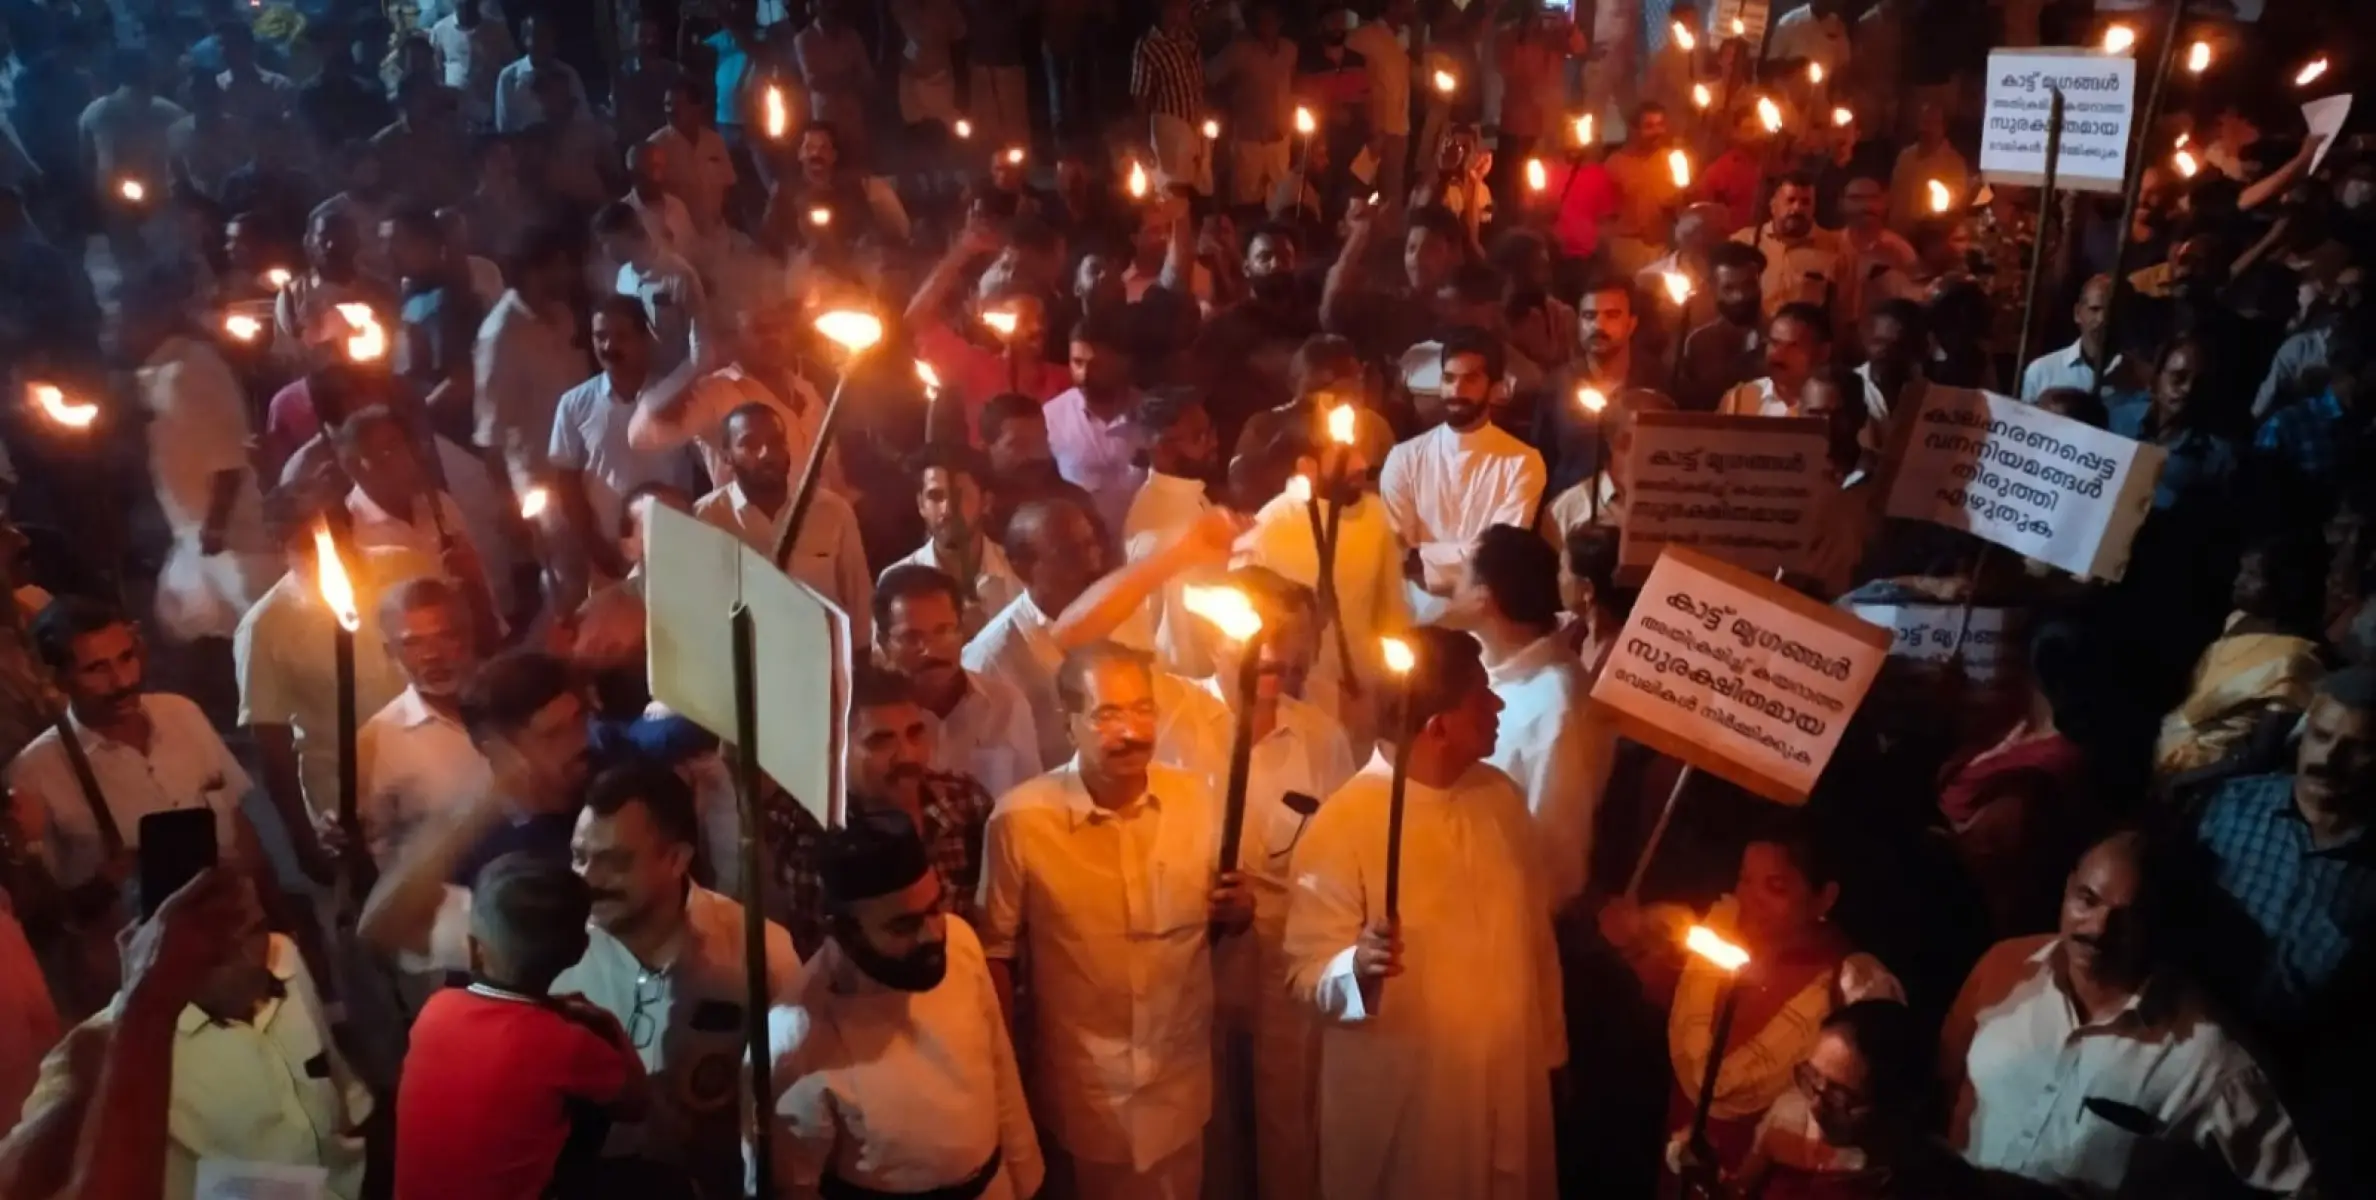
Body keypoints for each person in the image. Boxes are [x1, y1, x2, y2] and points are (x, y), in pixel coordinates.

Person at [1282, 625, 1564, 1200]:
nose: (1499, 704)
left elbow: (1535, 938)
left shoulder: (1500, 798)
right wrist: (1355, 968)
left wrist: (1550, 1053)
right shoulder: (1345, 824)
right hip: (1411, 1107)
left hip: (1507, 1082)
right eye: (1481, 694)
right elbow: (1304, 975)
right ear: (1438, 727)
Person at [976, 642, 1249, 1199]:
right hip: (1086, 1096)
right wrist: (1004, 1081)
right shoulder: (1022, 821)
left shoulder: (1196, 798)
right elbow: (997, 955)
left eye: (1142, 709)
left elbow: (1221, 916)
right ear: (1069, 722)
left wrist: (1238, 910)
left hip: (1180, 1081)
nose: (1131, 731)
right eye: (1107, 715)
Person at [1944, 831, 2314, 1195]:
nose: (2098, 929)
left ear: (2157, 923)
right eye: (2087, 900)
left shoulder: (2208, 1057)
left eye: (2126, 918)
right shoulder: (2003, 968)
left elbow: (2297, 1186)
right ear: (2068, 885)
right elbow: (1939, 1086)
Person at [19, 874, 369, 1200]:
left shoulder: (284, 959)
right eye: (217, 944)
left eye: (255, 930)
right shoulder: (98, 1056)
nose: (248, 959)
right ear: (153, 949)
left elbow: (346, 1099)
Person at [1597, 818, 1903, 1178]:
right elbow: (1677, 1002)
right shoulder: (1720, 931)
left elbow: (1865, 1119)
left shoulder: (1851, 984)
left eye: (1775, 887)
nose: (1749, 900)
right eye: (1744, 879)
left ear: (1824, 897)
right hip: (1679, 1159)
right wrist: (1632, 945)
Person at [768, 809, 1044, 1198]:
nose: (933, 935)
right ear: (845, 931)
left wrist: (1029, 1184)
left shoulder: (961, 942)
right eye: (903, 925)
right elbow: (794, 1185)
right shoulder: (793, 1035)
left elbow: (1001, 1073)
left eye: (934, 909)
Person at [393, 852, 649, 1200]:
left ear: (473, 948)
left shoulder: (434, 1010)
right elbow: (637, 1103)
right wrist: (607, 1022)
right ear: (580, 951)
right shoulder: (568, 1042)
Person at [9, 598, 274, 900]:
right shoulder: (34, 772)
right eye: (96, 669)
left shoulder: (181, 712)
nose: (122, 680)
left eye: (126, 657)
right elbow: (41, 909)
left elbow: (238, 824)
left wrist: (277, 911)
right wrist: (102, 887)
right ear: (58, 680)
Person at [234, 496, 409, 886]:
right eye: (307, 546)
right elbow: (272, 744)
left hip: (430, 767)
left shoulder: (403, 566)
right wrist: (303, 840)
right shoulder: (264, 628)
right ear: (282, 548)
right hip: (348, 799)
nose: (329, 557)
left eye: (338, 539)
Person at [766, 666, 996, 957]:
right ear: (836, 748)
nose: (908, 756)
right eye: (880, 742)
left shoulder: (966, 804)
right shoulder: (808, 832)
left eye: (915, 734)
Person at [1448, 526, 1616, 912]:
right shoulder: (1487, 663)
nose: (1450, 587)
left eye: (1462, 573)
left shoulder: (1556, 706)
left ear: (1483, 599)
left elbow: (1559, 858)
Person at [1380, 327, 1548, 624]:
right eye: (1449, 379)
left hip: (1489, 620)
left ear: (1495, 388)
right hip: (1414, 618)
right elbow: (1398, 554)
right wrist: (1426, 561)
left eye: (1470, 379)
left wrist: (1425, 559)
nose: (1456, 391)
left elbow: (1496, 555)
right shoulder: (1404, 457)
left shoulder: (1523, 462)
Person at [691, 403, 873, 644]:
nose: (767, 453)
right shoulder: (706, 518)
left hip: (821, 663)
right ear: (726, 456)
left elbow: (859, 602)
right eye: (750, 444)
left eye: (776, 442)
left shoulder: (833, 511)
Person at [549, 297, 699, 587]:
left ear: (644, 339)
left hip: (678, 549)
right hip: (611, 558)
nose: (608, 347)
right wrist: (596, 548)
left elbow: (708, 464)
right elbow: (566, 484)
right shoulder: (573, 404)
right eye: (600, 336)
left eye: (620, 336)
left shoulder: (677, 396)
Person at [2153, 539, 2327, 781]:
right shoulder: (2237, 621)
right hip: (2164, 753)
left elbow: (2261, 755)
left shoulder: (2294, 658)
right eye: (2241, 571)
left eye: (2253, 576)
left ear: (2285, 585)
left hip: (2209, 777)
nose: (2238, 582)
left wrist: (2187, 779)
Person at [874, 565, 1040, 798]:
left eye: (943, 631)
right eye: (912, 637)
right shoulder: (872, 722)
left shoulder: (1007, 705)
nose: (930, 650)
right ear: (883, 643)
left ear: (962, 631)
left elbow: (1029, 799)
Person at [356, 577, 488, 869]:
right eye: (413, 643)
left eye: (445, 636)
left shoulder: (514, 698)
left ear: (469, 636)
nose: (432, 655)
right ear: (390, 652)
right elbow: (377, 854)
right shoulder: (376, 742)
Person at [473, 221, 590, 494]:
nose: (568, 275)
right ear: (533, 271)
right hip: (542, 484)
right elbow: (491, 436)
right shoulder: (500, 335)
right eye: (560, 266)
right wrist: (510, 511)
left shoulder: (563, 316)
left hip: (586, 472)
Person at [1120, 390, 1223, 678]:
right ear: (1160, 448)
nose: (1213, 443)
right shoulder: (1166, 526)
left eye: (1210, 432)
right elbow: (1178, 635)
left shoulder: (1187, 495)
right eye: (1198, 437)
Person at [881, 445, 1024, 638]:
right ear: (921, 505)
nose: (947, 510)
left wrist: (988, 635)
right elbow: (886, 662)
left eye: (958, 496)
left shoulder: (1018, 573)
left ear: (986, 502)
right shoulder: (896, 583)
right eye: (935, 496)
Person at [1045, 310, 1149, 537]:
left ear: (1124, 362)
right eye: (1077, 362)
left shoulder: (1154, 417)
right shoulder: (1052, 418)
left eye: (1098, 365)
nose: (1085, 374)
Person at [594, 199, 707, 376]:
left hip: (681, 379)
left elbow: (701, 342)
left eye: (606, 242)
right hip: (645, 382)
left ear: (626, 234)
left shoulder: (679, 274)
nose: (604, 251)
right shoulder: (623, 279)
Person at [1208, 3, 1297, 213]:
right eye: (1261, 20)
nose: (1266, 26)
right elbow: (1209, 76)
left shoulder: (1289, 50)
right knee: (1244, 200)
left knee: (1281, 199)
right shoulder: (1239, 50)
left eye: (1271, 20)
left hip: (1280, 138)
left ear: (1280, 22)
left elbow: (1292, 83)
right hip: (1249, 139)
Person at [1736, 173, 1845, 322]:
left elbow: (1840, 311)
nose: (1797, 209)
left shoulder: (1834, 247)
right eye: (1790, 200)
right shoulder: (1744, 242)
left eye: (1805, 202)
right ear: (1773, 205)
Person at [1677, 240, 1771, 410]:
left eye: (1748, 285)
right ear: (1714, 289)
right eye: (1729, 288)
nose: (1740, 296)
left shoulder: (1779, 340)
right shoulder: (1699, 343)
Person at [1344, 0, 1418, 203]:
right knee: (1360, 190)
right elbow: (1350, 78)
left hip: (1399, 128)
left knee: (1392, 193)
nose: (1412, 7)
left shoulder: (1405, 37)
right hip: (1374, 128)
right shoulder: (1364, 36)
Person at [1133, 0, 1209, 196]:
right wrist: (1142, 142)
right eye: (1184, 7)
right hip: (1170, 130)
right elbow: (1140, 96)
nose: (1189, 12)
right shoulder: (1149, 46)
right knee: (1173, 191)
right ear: (1170, 9)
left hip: (1194, 128)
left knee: (1196, 188)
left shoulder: (1190, 39)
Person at [1718, 302, 1834, 417]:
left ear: (1823, 352)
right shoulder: (1739, 400)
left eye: (1792, 346)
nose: (1777, 354)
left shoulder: (1834, 409)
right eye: (1774, 343)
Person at [2019, 274, 2119, 401]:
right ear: (2077, 313)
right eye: (2094, 309)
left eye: (2111, 311)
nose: (2102, 319)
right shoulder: (2042, 372)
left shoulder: (2137, 378)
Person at [492, 15, 588, 133]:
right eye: (537, 36)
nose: (543, 42)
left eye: (548, 36)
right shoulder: (509, 78)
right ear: (524, 39)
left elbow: (584, 119)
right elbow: (504, 128)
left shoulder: (568, 74)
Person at [429, 0, 515, 129]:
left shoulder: (497, 30)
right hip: (456, 118)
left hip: (490, 116)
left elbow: (512, 68)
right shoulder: (440, 30)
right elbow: (436, 74)